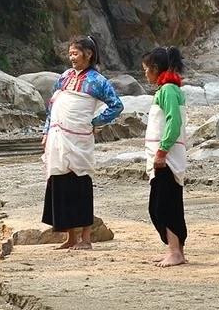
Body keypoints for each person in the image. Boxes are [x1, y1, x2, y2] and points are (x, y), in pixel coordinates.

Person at [41, 36, 124, 250]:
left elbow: (116, 105)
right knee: (61, 183)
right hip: (59, 137)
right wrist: (46, 132)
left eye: (75, 54)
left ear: (88, 54)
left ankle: (86, 238)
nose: (72, 58)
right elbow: (53, 106)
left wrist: (95, 121)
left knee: (80, 185)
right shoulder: (65, 77)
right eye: (70, 54)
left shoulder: (98, 81)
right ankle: (70, 238)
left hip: (79, 138)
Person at [141, 47, 189, 267]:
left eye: (145, 70)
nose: (145, 75)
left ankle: (174, 250)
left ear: (155, 68)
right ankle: (176, 250)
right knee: (170, 203)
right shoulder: (168, 89)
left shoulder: (168, 90)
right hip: (168, 156)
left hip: (166, 157)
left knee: (162, 206)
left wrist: (162, 151)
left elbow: (173, 122)